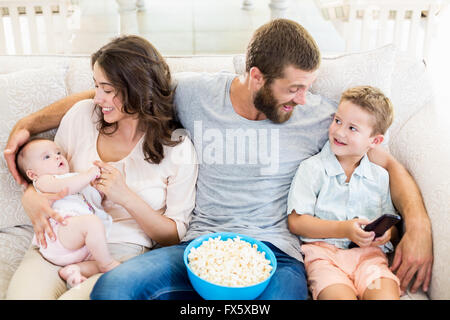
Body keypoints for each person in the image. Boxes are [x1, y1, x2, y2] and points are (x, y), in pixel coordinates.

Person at [4, 19, 432, 299]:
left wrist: (421, 226)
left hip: (274, 254)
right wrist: (29, 122)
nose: (304, 100)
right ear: (256, 77)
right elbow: (124, 92)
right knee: (112, 290)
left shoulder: (321, 117)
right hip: (195, 247)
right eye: (293, 89)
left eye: (308, 87)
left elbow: (388, 161)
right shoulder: (195, 95)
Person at [5, 35, 198, 299]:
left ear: (137, 90)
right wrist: (31, 197)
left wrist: (125, 196)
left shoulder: (177, 148)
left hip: (119, 252)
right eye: (96, 86)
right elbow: (49, 177)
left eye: (107, 90)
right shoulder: (82, 116)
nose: (97, 98)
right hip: (59, 238)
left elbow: (174, 235)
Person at [287, 86, 401, 300]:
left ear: (374, 141)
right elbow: (296, 222)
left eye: (352, 128)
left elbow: (391, 224)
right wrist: (344, 229)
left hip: (369, 259)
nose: (339, 132)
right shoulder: (312, 168)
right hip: (324, 258)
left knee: (385, 296)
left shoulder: (379, 177)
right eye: (338, 121)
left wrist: (387, 234)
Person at [15, 138, 119, 287]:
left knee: (96, 259)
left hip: (75, 241)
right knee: (92, 223)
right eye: (47, 157)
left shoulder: (73, 178)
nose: (57, 156)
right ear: (32, 175)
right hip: (60, 232)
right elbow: (66, 188)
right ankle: (107, 264)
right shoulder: (43, 181)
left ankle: (74, 270)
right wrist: (89, 174)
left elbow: (91, 199)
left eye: (58, 152)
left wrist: (98, 189)